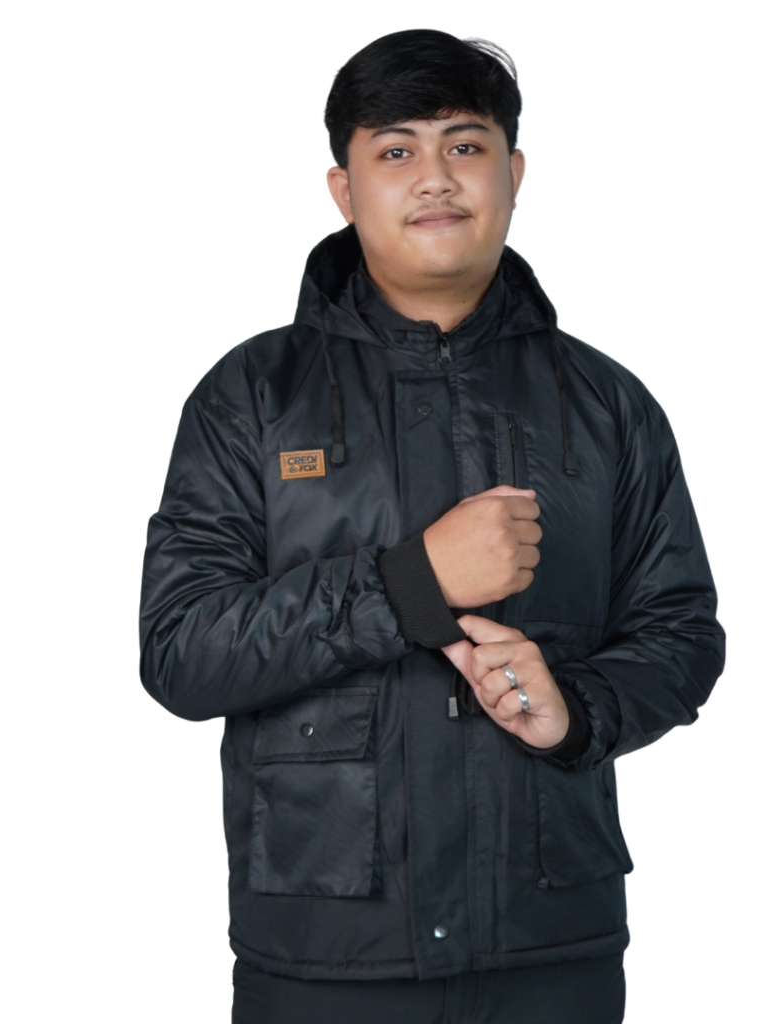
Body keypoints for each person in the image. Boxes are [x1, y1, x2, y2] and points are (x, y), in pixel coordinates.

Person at [139, 28, 725, 1024]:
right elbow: (181, 651)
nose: (435, 177)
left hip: (549, 952)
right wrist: (412, 584)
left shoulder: (605, 404)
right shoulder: (251, 399)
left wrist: (578, 709)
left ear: (513, 173)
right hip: (326, 958)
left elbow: (681, 634)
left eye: (464, 144)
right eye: (396, 150)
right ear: (344, 188)